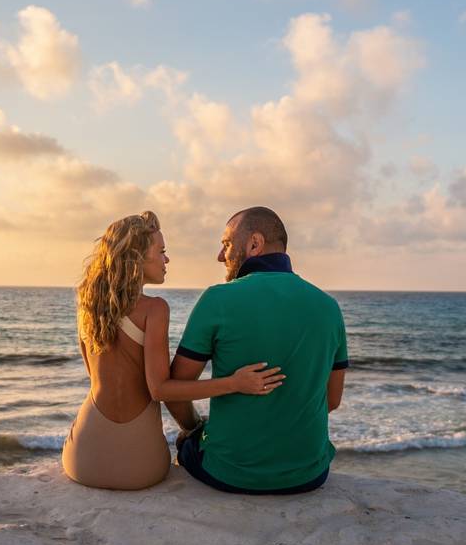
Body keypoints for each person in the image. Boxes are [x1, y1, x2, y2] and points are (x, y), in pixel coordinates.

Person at [61, 211, 286, 490]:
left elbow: (94, 376)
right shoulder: (155, 309)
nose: (166, 260)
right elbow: (161, 390)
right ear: (137, 257)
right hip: (139, 468)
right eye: (162, 251)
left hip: (82, 459)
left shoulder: (88, 304)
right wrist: (233, 383)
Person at [168, 206, 348, 494]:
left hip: (229, 473)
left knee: (186, 443)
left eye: (226, 244)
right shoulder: (329, 307)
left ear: (254, 243)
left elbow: (175, 389)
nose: (219, 255)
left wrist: (193, 427)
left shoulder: (217, 299)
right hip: (309, 474)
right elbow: (333, 400)